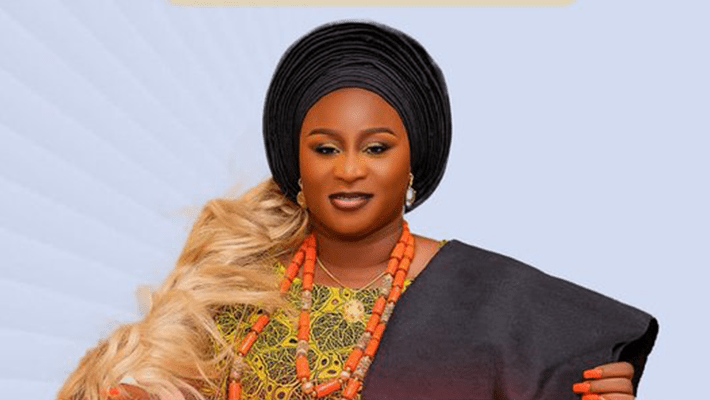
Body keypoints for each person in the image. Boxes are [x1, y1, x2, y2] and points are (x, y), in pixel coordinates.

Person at [57, 21, 657, 400]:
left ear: (413, 161)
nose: (348, 169)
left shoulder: (493, 302)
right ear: (296, 164)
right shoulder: (239, 290)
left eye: (376, 148)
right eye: (325, 148)